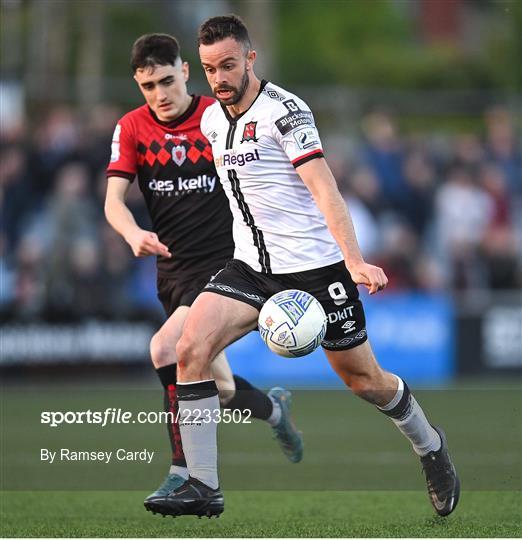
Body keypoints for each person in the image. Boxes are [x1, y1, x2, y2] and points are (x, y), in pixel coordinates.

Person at [157, 15, 460, 519]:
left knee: (366, 382)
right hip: (250, 269)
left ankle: (430, 446)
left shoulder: (286, 111)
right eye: (209, 69)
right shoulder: (210, 119)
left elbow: (324, 188)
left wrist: (355, 260)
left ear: (250, 58)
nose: (219, 78)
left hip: (316, 272)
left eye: (228, 65)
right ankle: (202, 486)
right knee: (189, 346)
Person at [104, 33, 303, 513]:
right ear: (138, 82)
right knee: (222, 388)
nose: (160, 94)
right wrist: (133, 234)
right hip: (172, 275)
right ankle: (276, 412)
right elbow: (113, 202)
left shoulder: (217, 117)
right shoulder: (131, 128)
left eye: (168, 80)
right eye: (149, 85)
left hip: (225, 266)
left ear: (186, 71)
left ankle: (184, 476)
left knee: (165, 348)